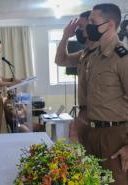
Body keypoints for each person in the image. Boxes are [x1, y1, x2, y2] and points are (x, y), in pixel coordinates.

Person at [85, 3, 128, 184]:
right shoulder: (94, 56)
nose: (89, 27)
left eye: (93, 21)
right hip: (92, 133)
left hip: (115, 137)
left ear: (109, 25)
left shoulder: (123, 57)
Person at [55, 11, 96, 146]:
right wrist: (65, 36)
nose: (79, 31)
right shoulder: (83, 54)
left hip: (103, 120)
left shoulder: (106, 55)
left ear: (92, 27)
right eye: (78, 28)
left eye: (82, 27)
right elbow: (60, 60)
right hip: (86, 116)